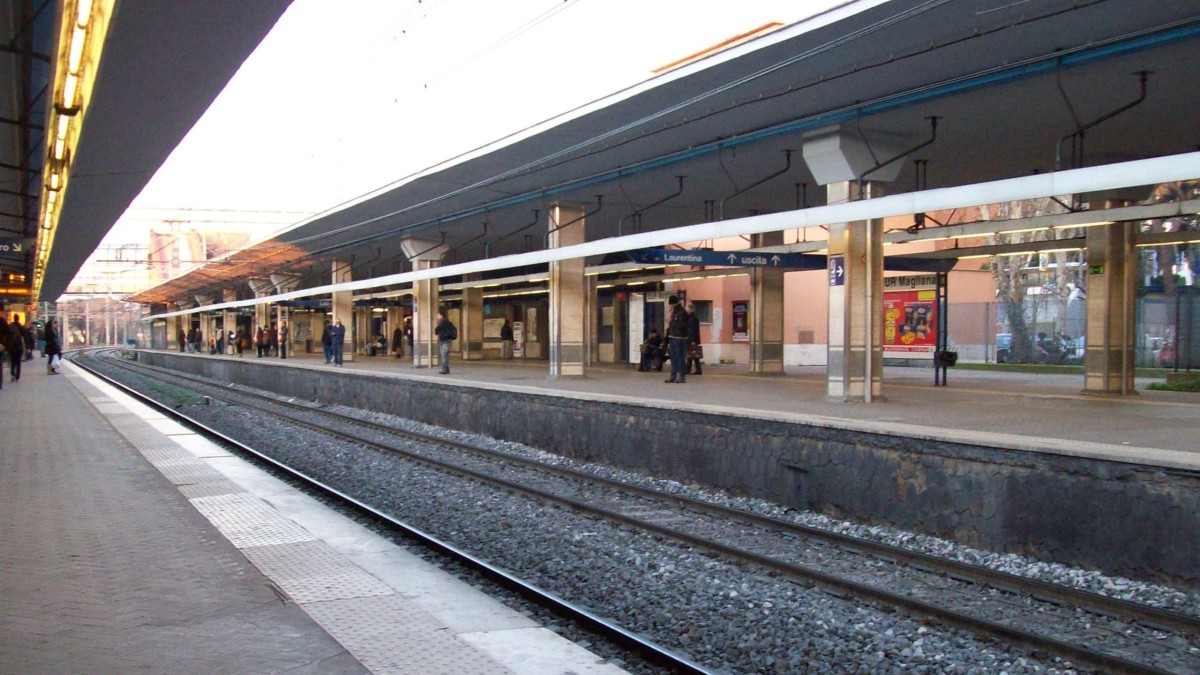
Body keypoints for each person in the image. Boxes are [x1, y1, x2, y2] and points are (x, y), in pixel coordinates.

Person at [664, 295, 688, 383]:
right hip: (673, 337)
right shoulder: (675, 312)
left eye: (670, 304)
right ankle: (673, 376)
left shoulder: (681, 312)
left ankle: (681, 376)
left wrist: (671, 324)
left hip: (679, 338)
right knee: (673, 358)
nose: (669, 306)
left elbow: (682, 325)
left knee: (680, 357)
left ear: (673, 304)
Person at [434, 310, 456, 374]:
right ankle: (446, 368)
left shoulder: (443, 321)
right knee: (444, 354)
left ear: (441, 315)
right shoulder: (445, 322)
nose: (437, 316)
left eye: (438, 315)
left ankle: (445, 369)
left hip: (445, 340)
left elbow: (437, 329)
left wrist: (437, 331)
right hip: (446, 340)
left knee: (444, 355)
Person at [685, 301, 703, 376]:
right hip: (692, 339)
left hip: (692, 339)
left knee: (691, 355)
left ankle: (688, 370)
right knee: (694, 355)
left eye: (688, 309)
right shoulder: (690, 317)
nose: (687, 311)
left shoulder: (693, 318)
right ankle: (697, 370)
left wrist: (692, 340)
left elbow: (693, 330)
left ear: (692, 309)